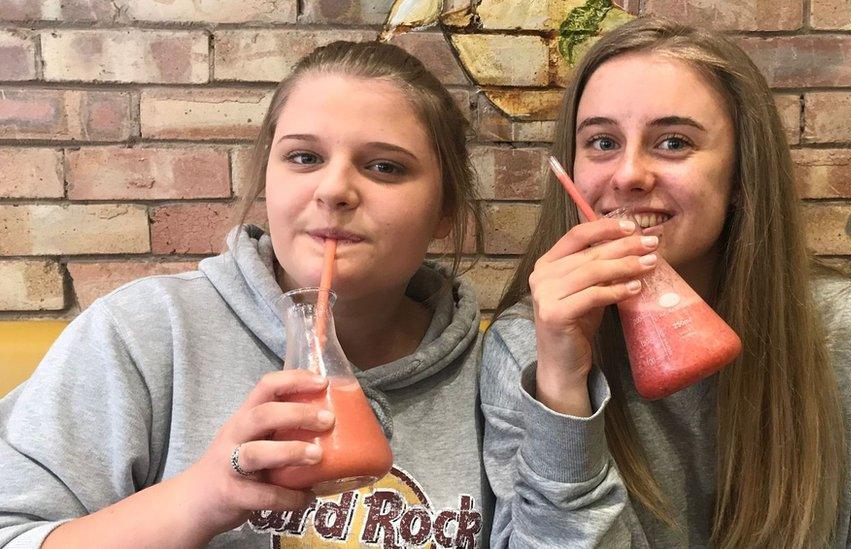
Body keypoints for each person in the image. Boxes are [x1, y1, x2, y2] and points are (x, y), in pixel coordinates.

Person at [0, 41, 490, 548]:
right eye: (304, 157)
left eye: (385, 167)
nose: (334, 189)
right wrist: (200, 499)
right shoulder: (143, 333)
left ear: (445, 211)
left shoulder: (494, 376)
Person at [480, 18, 851, 548]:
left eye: (673, 142)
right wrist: (561, 393)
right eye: (602, 142)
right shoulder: (524, 348)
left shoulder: (841, 331)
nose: (627, 176)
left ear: (741, 175)